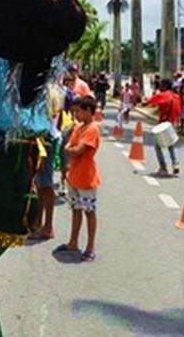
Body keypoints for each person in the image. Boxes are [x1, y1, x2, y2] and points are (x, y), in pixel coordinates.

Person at [53, 95, 101, 262]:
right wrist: (71, 149)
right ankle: (73, 242)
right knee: (75, 210)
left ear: (88, 111)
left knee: (89, 212)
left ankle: (90, 247)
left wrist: (71, 149)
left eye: (79, 111)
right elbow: (68, 147)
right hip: (74, 175)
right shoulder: (78, 128)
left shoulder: (92, 129)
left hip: (87, 177)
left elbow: (76, 150)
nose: (76, 115)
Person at [29, 78, 65, 241]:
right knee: (40, 183)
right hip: (43, 138)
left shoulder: (48, 91)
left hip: (46, 140)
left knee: (45, 183)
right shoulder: (48, 90)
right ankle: (39, 221)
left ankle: (48, 226)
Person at [144, 79, 182, 177]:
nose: (159, 87)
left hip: (163, 124)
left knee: (158, 147)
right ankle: (175, 163)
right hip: (172, 124)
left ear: (165, 86)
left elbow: (148, 102)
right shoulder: (176, 97)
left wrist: (143, 101)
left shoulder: (163, 95)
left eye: (161, 85)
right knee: (170, 145)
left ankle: (163, 167)